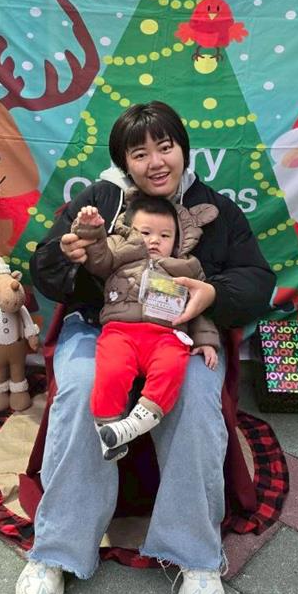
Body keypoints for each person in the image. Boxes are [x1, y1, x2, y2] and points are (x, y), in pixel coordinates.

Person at [16, 102, 274, 594]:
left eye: (166, 147)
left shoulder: (216, 210)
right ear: (124, 162)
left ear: (183, 149)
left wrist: (211, 294)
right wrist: (64, 256)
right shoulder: (98, 201)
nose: (156, 162)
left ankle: (195, 554)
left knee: (195, 399)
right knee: (82, 391)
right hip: (101, 328)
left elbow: (256, 280)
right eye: (140, 153)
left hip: (180, 335)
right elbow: (45, 269)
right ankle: (57, 549)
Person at [72, 194, 221, 461]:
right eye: (145, 233)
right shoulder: (120, 255)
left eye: (165, 236)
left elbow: (199, 307)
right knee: (111, 370)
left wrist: (206, 340)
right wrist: (92, 230)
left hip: (168, 336)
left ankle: (134, 424)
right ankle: (107, 427)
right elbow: (98, 257)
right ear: (130, 231)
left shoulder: (187, 267)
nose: (154, 240)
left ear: (177, 239)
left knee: (172, 367)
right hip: (120, 331)